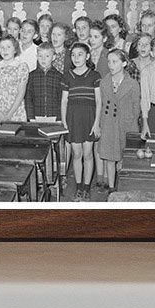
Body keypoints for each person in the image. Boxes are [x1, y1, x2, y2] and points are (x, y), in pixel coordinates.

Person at [61, 42, 102, 201]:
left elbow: (98, 101)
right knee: (76, 154)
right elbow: (64, 102)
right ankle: (78, 187)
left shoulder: (95, 75)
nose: (76, 58)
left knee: (88, 154)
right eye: (73, 55)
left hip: (89, 118)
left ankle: (86, 187)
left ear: (87, 56)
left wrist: (96, 122)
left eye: (80, 54)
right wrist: (64, 123)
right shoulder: (67, 76)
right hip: (73, 119)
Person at [99, 48, 140, 192]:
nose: (111, 65)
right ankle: (111, 187)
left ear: (124, 63)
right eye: (109, 61)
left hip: (126, 124)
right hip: (108, 123)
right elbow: (102, 104)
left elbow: (136, 107)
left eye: (115, 62)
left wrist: (132, 123)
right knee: (110, 158)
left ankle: (122, 187)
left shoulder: (132, 83)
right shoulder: (104, 82)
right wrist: (100, 124)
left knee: (123, 157)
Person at [0, 35, 29, 123]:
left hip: (15, 111)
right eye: (2, 47)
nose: (5, 50)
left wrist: (9, 114)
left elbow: (21, 93)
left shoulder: (21, 67)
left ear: (15, 49)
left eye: (8, 47)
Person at [24, 43, 64, 120]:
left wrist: (59, 118)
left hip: (54, 116)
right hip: (36, 116)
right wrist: (31, 117)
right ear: (36, 57)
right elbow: (28, 99)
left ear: (53, 57)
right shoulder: (31, 76)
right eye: (40, 56)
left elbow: (61, 100)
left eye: (47, 56)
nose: (43, 59)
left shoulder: (59, 77)